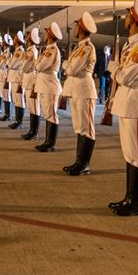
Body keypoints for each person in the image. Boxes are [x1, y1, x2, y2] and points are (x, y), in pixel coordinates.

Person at [108, 0, 138, 215]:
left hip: (135, 102)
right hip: (126, 102)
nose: (126, 18)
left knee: (137, 153)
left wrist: (114, 70)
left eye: (129, 14)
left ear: (134, 19)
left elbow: (126, 77)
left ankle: (137, 201)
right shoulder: (131, 45)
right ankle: (129, 197)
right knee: (129, 153)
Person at [62, 12, 98, 176]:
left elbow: (71, 69)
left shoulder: (87, 48)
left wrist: (66, 65)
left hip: (84, 90)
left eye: (77, 25)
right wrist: (68, 66)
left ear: (81, 29)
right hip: (76, 90)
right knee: (79, 127)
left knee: (87, 128)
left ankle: (85, 164)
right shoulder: (79, 48)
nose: (74, 28)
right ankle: (78, 161)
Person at [35, 22, 63, 152]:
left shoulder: (52, 50)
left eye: (46, 32)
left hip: (50, 86)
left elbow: (39, 66)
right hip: (45, 85)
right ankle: (47, 141)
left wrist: (38, 63)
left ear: (50, 35)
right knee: (47, 114)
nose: (44, 34)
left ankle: (51, 143)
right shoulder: (47, 50)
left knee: (51, 115)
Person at [20, 28, 42, 140]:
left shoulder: (32, 51)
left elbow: (24, 67)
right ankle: (32, 130)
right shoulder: (28, 50)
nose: (26, 37)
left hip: (32, 81)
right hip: (28, 80)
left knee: (35, 107)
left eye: (27, 35)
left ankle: (35, 132)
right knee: (31, 107)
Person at [7, 32, 27, 129]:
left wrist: (10, 63)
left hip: (17, 78)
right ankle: (17, 121)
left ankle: (20, 122)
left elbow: (12, 65)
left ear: (18, 40)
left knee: (19, 100)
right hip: (14, 77)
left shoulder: (20, 52)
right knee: (16, 100)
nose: (13, 39)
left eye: (14, 38)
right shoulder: (16, 51)